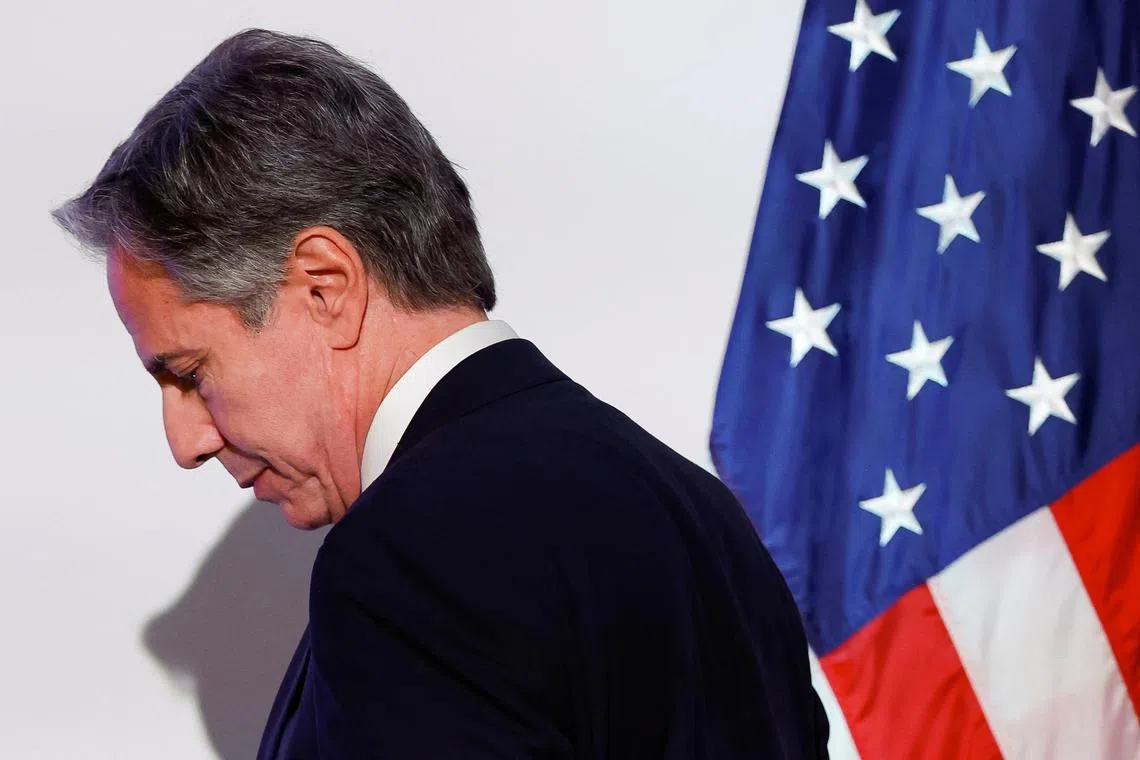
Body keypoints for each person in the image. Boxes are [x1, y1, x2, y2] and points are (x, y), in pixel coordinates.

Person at [52, 28, 830, 759]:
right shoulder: (702, 516)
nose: (185, 443)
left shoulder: (412, 554)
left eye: (189, 373)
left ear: (326, 287)